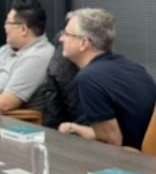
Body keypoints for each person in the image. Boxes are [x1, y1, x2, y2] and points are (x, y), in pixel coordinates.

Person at [58, 9, 156, 150]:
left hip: (133, 159)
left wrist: (73, 128)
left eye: (67, 34)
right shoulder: (133, 67)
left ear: (83, 43)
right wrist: (74, 128)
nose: (61, 39)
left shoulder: (88, 78)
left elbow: (113, 141)